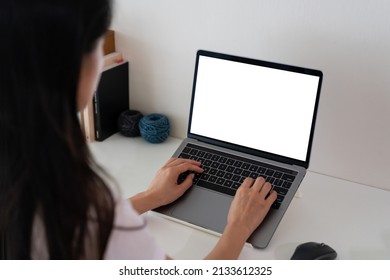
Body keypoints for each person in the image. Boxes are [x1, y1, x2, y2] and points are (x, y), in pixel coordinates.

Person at [0, 0, 277, 259]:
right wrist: (239, 227)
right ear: (75, 66)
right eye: (99, 45)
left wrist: (150, 197)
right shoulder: (76, 215)